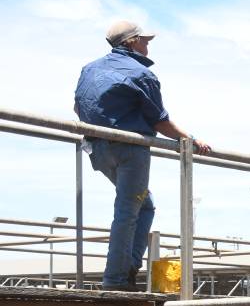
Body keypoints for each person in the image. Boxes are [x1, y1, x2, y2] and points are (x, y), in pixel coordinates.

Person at [74, 20, 211, 291]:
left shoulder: (89, 69)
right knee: (127, 210)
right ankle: (116, 280)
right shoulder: (141, 74)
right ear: (131, 42)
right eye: (144, 40)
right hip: (129, 150)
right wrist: (192, 141)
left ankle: (126, 270)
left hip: (98, 150)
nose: (147, 45)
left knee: (143, 205)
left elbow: (78, 109)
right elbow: (161, 123)